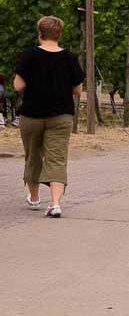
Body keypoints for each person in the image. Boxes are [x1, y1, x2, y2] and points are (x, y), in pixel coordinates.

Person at [14, 16, 85, 218]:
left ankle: (35, 198)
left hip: (31, 115)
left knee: (33, 155)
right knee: (57, 158)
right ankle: (54, 204)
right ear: (59, 34)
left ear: (40, 33)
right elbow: (78, 90)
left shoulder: (29, 56)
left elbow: (18, 86)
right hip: (61, 116)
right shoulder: (69, 58)